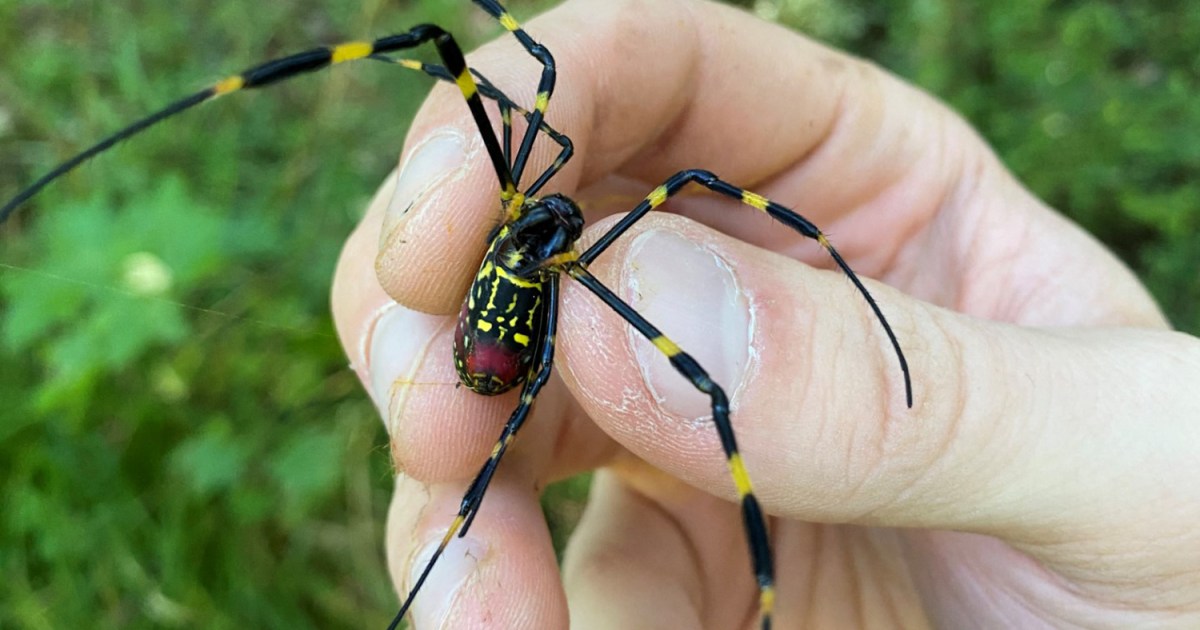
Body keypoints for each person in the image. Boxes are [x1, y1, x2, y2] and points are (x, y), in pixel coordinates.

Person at [331, 0, 1200, 627]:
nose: (552, 204)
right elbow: (511, 68)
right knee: (506, 66)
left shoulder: (566, 242)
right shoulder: (532, 203)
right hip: (491, 350)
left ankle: (769, 597)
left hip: (504, 351)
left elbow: (709, 370)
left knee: (704, 378)